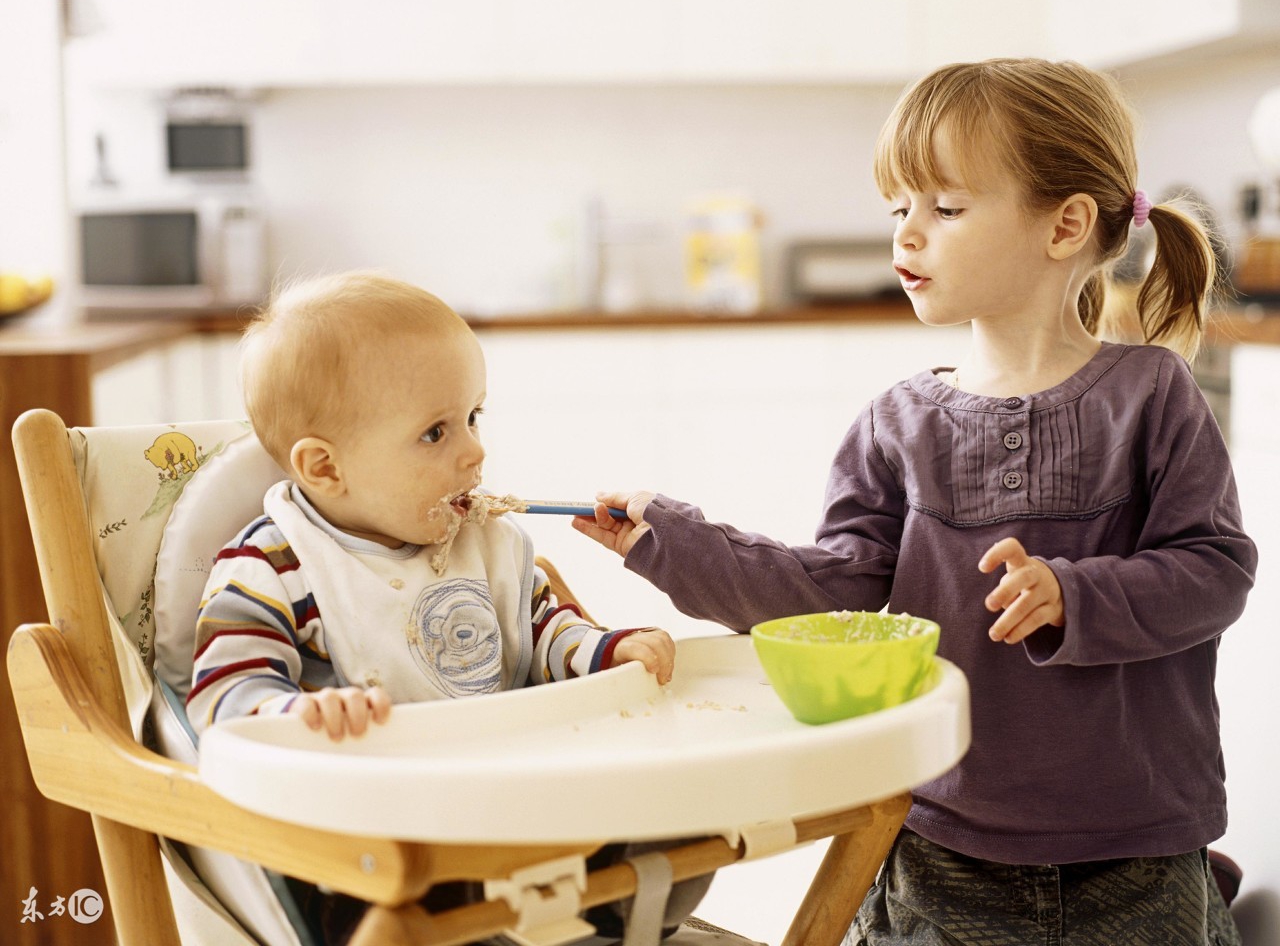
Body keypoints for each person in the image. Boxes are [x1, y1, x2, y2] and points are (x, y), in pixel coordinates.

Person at [574, 58, 1257, 946]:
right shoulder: (896, 423)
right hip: (935, 845)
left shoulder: (1153, 395)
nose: (907, 237)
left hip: (1138, 858)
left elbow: (1214, 572)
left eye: (945, 208)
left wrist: (1074, 595)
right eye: (899, 209)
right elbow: (836, 595)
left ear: (1067, 225)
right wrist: (677, 545)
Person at [187, 270, 706, 945]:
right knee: (382, 900)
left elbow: (543, 627)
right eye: (435, 433)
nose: (474, 450)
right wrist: (294, 714)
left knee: (686, 807)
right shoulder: (275, 566)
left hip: (517, 806)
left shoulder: (487, 543)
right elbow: (221, 696)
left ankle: (608, 901)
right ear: (323, 469)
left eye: (473, 417)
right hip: (377, 842)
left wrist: (604, 651)